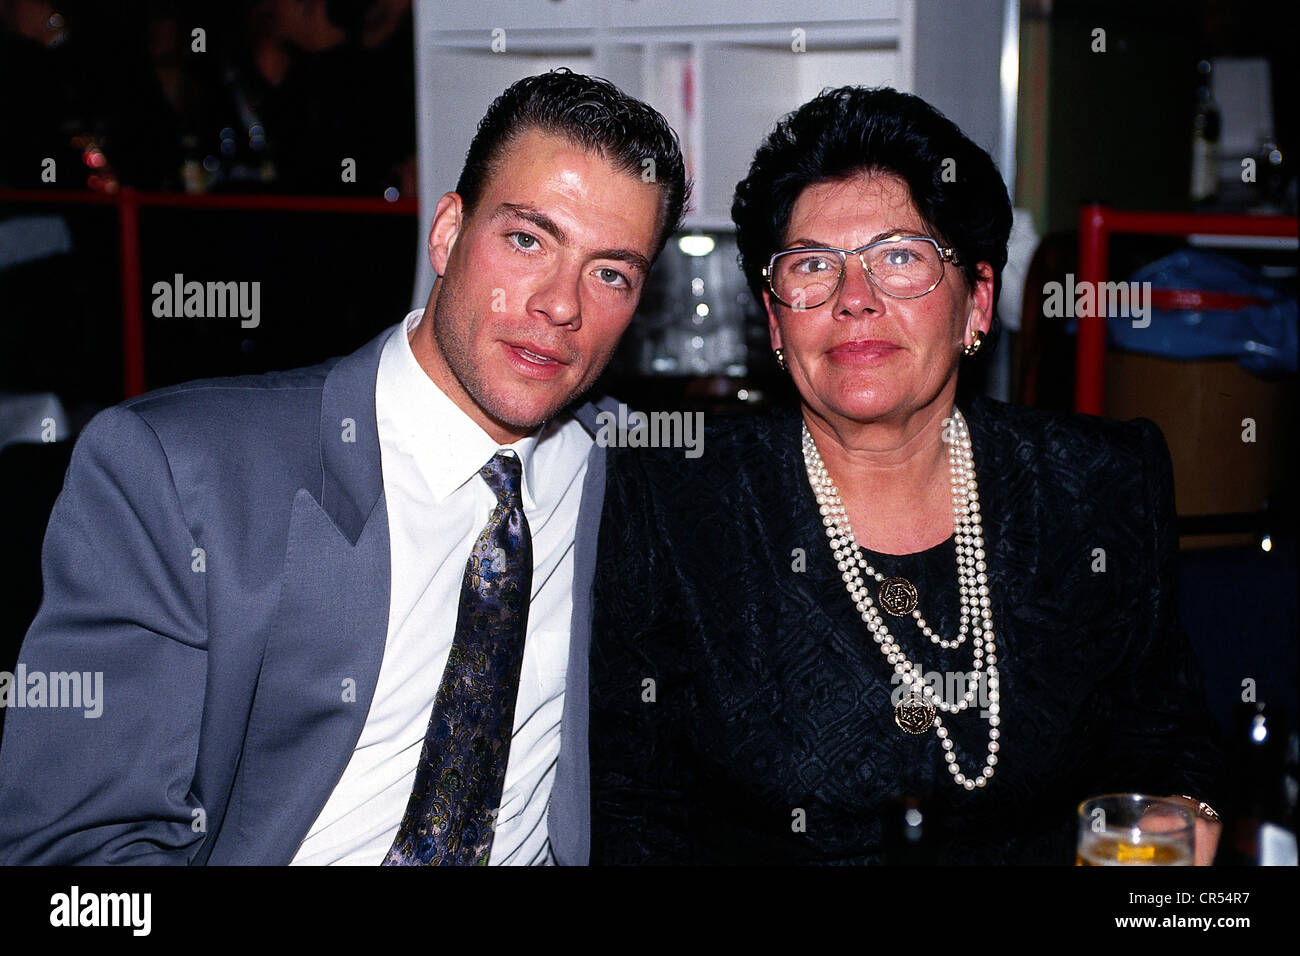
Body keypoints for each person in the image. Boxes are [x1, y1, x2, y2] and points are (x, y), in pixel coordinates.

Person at [0, 69, 687, 865]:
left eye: (611, 273)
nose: (559, 304)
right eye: (527, 239)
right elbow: (75, 861)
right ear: (446, 234)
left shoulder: (627, 478)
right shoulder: (182, 472)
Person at [588, 86, 1223, 865]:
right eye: (814, 266)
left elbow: (1169, 744)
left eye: (900, 258)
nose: (855, 301)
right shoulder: (672, 503)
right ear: (776, 316)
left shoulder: (1097, 486)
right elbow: (630, 811)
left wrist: (1180, 820)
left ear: (976, 304)